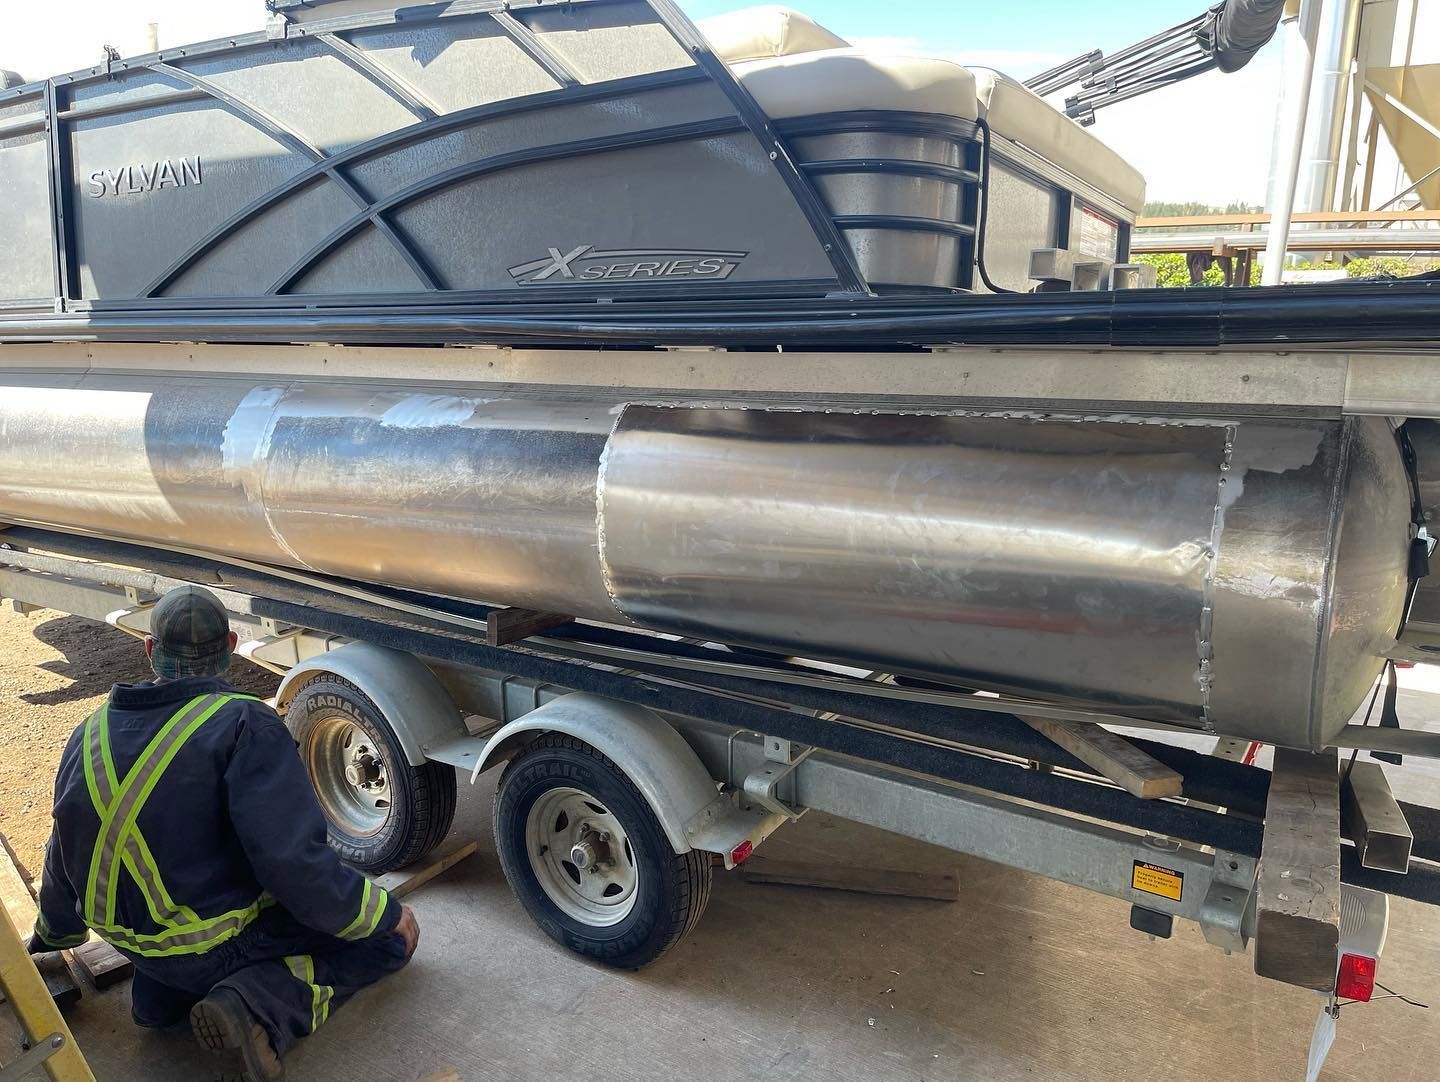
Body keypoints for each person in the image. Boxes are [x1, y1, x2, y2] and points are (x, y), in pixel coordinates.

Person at [27, 585, 420, 1081]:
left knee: (172, 963)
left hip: (136, 945)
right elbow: (293, 864)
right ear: (231, 645)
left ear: (149, 649)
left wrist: (52, 938)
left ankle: (162, 1000)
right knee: (384, 941)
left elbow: (63, 844)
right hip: (210, 944)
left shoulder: (88, 732)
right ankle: (257, 1005)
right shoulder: (242, 722)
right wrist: (382, 914)